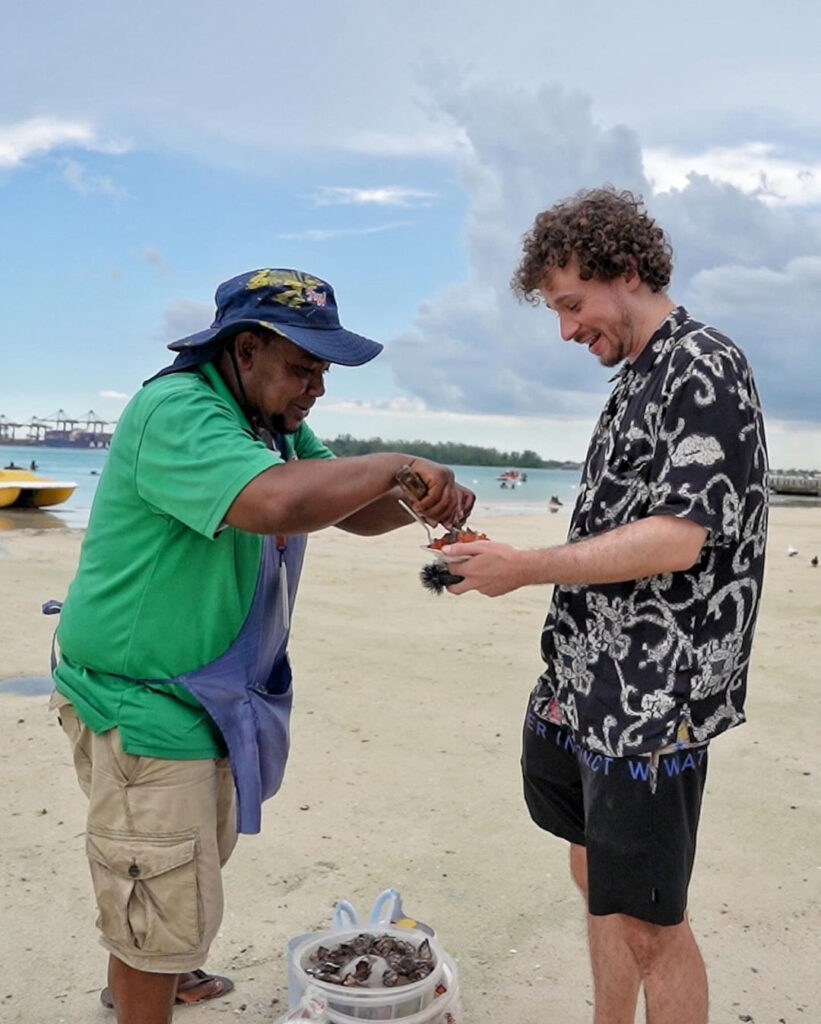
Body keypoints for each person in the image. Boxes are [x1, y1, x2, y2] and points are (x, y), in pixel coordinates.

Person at [49, 268, 473, 1024]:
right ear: (245, 350)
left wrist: (415, 498)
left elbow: (342, 507)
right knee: (157, 888)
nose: (317, 386)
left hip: (203, 697)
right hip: (141, 702)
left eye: (323, 371)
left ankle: (158, 976)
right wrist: (395, 465)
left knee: (166, 879)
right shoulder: (178, 409)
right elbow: (273, 501)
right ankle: (149, 987)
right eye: (303, 367)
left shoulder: (268, 423)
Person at [444, 188, 768, 1024]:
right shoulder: (636, 376)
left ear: (624, 272)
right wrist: (498, 559)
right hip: (583, 680)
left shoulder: (703, 364)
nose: (564, 330)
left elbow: (679, 538)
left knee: (651, 918)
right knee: (595, 877)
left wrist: (526, 568)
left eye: (570, 305)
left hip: (651, 703)